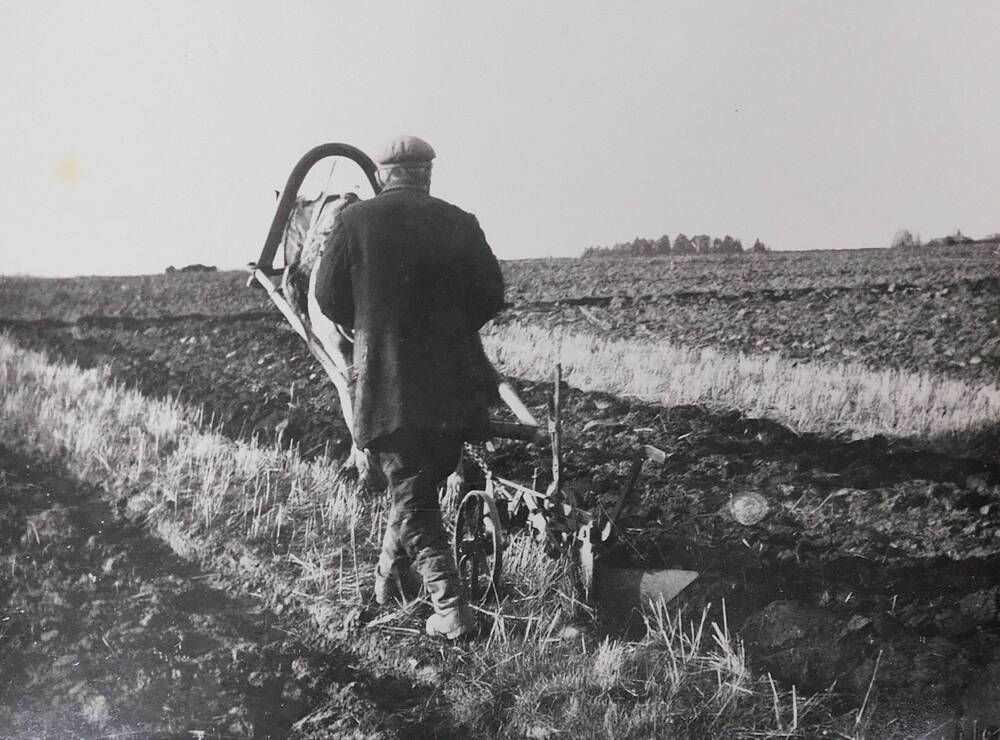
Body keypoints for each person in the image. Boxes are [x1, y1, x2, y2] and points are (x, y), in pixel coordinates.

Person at [313, 135, 505, 639]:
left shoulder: (355, 222)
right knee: (416, 485)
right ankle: (388, 587)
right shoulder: (460, 221)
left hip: (390, 386)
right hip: (456, 387)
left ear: (382, 174)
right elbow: (491, 295)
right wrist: (450, 331)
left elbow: (327, 296)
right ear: (427, 173)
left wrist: (372, 326)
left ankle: (449, 610)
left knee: (413, 498)